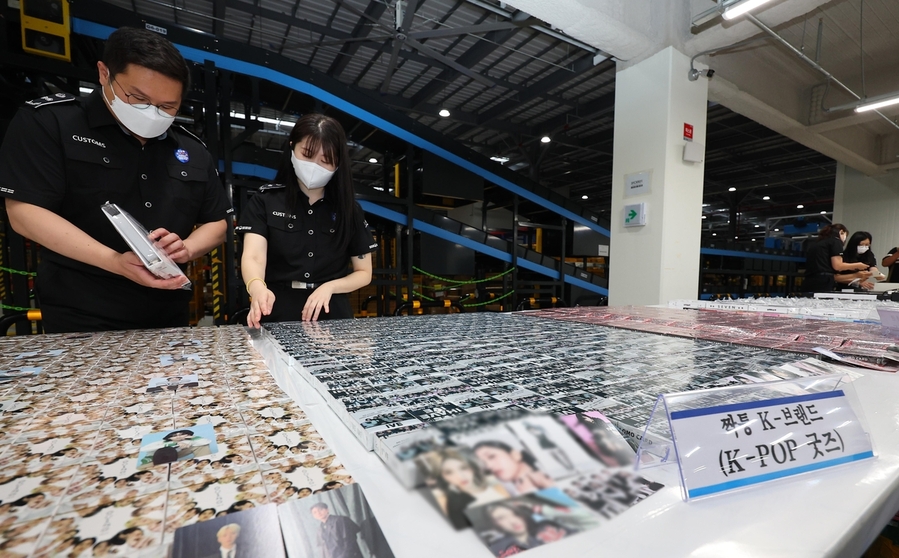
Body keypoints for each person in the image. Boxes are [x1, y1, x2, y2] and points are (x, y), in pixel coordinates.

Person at [0, 27, 231, 333]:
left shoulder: (191, 150)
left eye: (167, 106)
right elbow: (25, 214)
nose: (152, 113)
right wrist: (115, 261)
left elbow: (218, 222)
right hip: (81, 314)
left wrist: (186, 248)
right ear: (104, 74)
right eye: (138, 98)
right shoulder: (50, 122)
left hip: (169, 313)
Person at [237, 114, 377, 326]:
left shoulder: (349, 210)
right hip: (276, 309)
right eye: (308, 154)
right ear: (292, 147)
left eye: (326, 160)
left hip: (332, 313)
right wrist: (257, 287)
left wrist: (329, 287)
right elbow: (253, 257)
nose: (315, 166)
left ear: (338, 164)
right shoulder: (265, 201)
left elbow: (364, 272)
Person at [425, 448, 510, 529]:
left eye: (463, 468)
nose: (460, 476)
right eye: (449, 472)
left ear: (472, 468)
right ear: (443, 478)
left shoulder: (495, 484)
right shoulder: (455, 504)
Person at [803, 224, 870, 292]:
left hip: (809, 280)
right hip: (823, 282)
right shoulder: (836, 241)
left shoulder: (817, 243)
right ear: (841, 232)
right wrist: (857, 265)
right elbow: (838, 266)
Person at [472, 440, 555, 495]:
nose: (489, 466)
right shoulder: (515, 492)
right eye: (483, 464)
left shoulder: (545, 476)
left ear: (515, 455)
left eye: (491, 456)